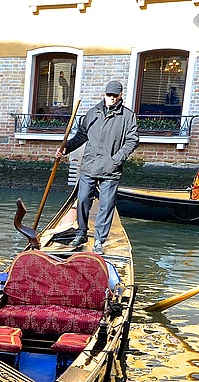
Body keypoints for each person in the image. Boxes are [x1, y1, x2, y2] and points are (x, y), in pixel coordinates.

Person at [56, 80, 139, 254]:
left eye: (115, 96)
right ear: (105, 94)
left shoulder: (127, 116)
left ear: (121, 96)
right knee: (83, 199)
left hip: (111, 169)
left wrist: (116, 159)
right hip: (89, 166)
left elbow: (133, 141)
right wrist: (66, 148)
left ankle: (99, 240)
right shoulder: (92, 113)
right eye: (109, 95)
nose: (112, 99)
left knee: (107, 205)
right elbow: (81, 136)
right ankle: (81, 233)